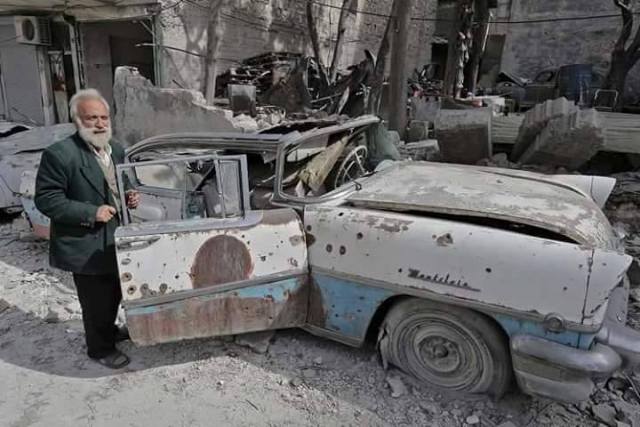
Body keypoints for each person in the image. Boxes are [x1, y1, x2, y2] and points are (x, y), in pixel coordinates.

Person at [35, 89, 140, 369]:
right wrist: (91, 213)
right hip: (84, 242)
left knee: (116, 291)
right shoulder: (60, 154)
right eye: (92, 118)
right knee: (96, 301)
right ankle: (100, 349)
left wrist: (130, 194)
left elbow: (123, 182)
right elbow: (47, 199)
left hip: (115, 238)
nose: (100, 123)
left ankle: (109, 331)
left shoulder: (116, 149)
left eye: (104, 117)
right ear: (77, 121)